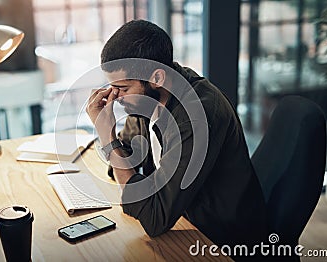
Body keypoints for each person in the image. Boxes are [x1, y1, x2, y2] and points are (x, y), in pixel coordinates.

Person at [86, 20, 267, 258]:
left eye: (123, 87)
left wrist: (107, 139)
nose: (115, 97)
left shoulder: (196, 117)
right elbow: (124, 162)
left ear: (157, 78)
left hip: (222, 244)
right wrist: (116, 148)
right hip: (185, 221)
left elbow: (154, 219)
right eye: (112, 86)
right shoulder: (147, 98)